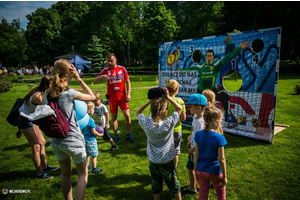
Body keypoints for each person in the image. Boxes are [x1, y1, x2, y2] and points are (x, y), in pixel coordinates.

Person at [47, 59, 96, 200]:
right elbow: (92, 97)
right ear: (70, 72)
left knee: (65, 173)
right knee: (82, 174)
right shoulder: (69, 93)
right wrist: (79, 79)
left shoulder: (47, 94)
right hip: (73, 140)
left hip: (56, 140)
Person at [136, 87, 182, 200]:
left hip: (153, 160)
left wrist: (150, 101)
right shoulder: (168, 123)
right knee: (173, 181)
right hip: (167, 160)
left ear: (151, 110)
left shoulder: (146, 123)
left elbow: (138, 112)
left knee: (155, 182)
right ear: (165, 112)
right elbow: (179, 109)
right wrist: (168, 97)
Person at [17, 75, 58, 179]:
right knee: (36, 146)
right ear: (45, 85)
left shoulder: (41, 92)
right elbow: (47, 109)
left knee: (42, 142)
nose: (53, 87)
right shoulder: (38, 97)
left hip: (31, 118)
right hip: (25, 120)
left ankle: (44, 166)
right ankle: (40, 173)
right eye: (51, 85)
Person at [93, 53, 135, 142]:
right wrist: (101, 77)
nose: (109, 62)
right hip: (112, 96)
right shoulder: (105, 70)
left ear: (115, 60)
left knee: (127, 115)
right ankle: (116, 135)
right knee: (114, 116)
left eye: (111, 61)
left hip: (122, 95)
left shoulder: (122, 69)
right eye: (108, 61)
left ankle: (128, 134)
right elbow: (95, 81)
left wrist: (128, 94)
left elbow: (127, 82)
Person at [182, 41, 250, 93]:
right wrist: (179, 70)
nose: (209, 57)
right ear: (206, 57)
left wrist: (239, 48)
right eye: (208, 56)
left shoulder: (217, 64)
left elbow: (228, 56)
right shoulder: (201, 66)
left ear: (213, 57)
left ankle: (224, 110)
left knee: (224, 98)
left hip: (211, 90)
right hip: (200, 91)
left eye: (210, 56)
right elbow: (190, 69)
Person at [194, 106, 227, 200]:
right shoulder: (220, 137)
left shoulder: (198, 134)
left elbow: (196, 154)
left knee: (203, 193)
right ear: (216, 121)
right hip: (215, 172)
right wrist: (225, 176)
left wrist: (195, 170)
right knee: (220, 192)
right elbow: (221, 159)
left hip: (201, 170)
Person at [182, 94, 207, 195]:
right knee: (191, 168)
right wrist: (189, 139)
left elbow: (201, 140)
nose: (188, 108)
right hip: (194, 149)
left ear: (198, 107)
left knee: (195, 170)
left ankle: (195, 189)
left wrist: (193, 149)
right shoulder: (195, 117)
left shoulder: (201, 122)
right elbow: (194, 133)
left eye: (190, 106)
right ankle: (193, 185)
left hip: (197, 152)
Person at [165, 79, 186, 168]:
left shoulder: (163, 101)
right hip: (176, 130)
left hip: (164, 129)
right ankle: (173, 170)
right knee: (175, 152)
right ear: (176, 90)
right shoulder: (180, 102)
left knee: (165, 150)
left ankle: (164, 168)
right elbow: (183, 119)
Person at [83, 102, 104, 175]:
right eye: (93, 109)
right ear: (89, 110)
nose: (94, 111)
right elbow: (93, 132)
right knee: (94, 155)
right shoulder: (91, 120)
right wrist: (100, 134)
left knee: (87, 154)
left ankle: (86, 166)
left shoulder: (83, 119)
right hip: (91, 140)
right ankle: (94, 169)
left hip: (84, 139)